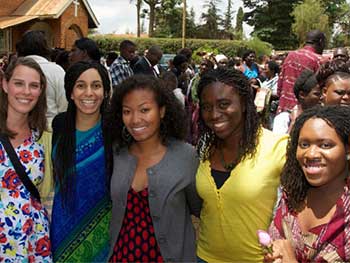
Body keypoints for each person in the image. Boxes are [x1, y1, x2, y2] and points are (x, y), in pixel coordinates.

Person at [196, 68, 288, 262]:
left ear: (245, 104)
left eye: (224, 104)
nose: (214, 114)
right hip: (204, 257)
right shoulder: (205, 147)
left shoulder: (277, 147)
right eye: (206, 106)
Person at [106, 74, 201, 262]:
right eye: (127, 111)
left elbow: (199, 209)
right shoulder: (117, 153)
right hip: (122, 256)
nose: (135, 119)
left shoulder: (186, 156)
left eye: (144, 110)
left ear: (162, 111)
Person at [267, 105, 350, 262]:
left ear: (347, 148)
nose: (311, 154)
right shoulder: (291, 194)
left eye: (325, 145)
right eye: (304, 144)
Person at [50, 61, 112, 262]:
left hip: (105, 229)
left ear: (105, 91)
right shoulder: (59, 126)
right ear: (70, 92)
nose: (89, 93)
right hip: (63, 227)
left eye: (96, 85)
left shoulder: (114, 130)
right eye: (80, 85)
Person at [0, 57, 52, 261]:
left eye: (34, 86)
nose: (26, 92)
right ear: (5, 84)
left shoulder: (42, 137)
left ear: (41, 91)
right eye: (19, 83)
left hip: (33, 241)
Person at [16, 30, 67, 129]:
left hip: (20, 129)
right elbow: (64, 104)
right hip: (51, 129)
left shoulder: (14, 70)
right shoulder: (56, 71)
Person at [277, 30, 326, 114]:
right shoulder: (319, 60)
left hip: (284, 109)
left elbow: (280, 86)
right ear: (321, 42)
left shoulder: (290, 55)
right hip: (305, 113)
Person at [273, 69, 321, 134]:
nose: (321, 97)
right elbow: (280, 143)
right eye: (317, 94)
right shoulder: (284, 119)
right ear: (302, 95)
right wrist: (294, 123)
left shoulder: (321, 120)